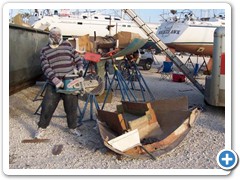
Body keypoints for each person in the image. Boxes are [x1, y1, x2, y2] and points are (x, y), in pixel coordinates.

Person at [34, 27, 83, 139]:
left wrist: (80, 67)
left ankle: (72, 128)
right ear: (50, 36)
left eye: (58, 35)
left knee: (71, 107)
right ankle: (41, 128)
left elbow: (77, 57)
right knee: (47, 106)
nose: (57, 37)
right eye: (54, 35)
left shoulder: (67, 45)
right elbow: (45, 67)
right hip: (53, 84)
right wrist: (55, 80)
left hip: (69, 81)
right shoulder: (44, 50)